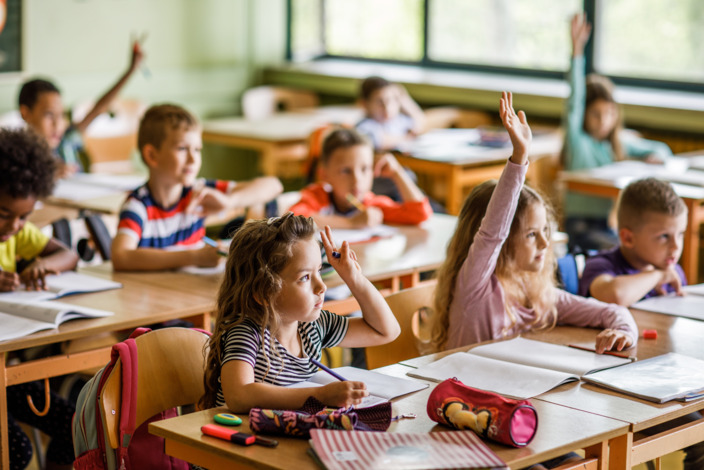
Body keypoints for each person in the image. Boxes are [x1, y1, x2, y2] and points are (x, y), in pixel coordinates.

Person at [431, 91, 637, 354]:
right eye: (530, 234)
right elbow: (492, 233)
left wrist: (623, 332)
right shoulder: (476, 285)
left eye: (545, 231)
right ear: (504, 241)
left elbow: (612, 311)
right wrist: (519, 157)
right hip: (463, 392)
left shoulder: (533, 289)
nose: (544, 243)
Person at [199, 213, 400, 411]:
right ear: (264, 291)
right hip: (238, 438)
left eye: (319, 271)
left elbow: (385, 331)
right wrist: (320, 395)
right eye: (304, 277)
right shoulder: (248, 333)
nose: (321, 286)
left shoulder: (313, 326)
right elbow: (239, 395)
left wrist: (355, 278)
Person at [111, 104, 283, 271]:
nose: (193, 160)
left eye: (197, 149)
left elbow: (273, 185)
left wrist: (229, 201)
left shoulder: (198, 192)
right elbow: (121, 256)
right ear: (152, 155)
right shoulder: (139, 206)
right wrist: (193, 257)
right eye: (182, 148)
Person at [0, 128, 79, 470]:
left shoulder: (14, 233)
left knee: (76, 426)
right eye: (4, 213)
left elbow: (68, 254)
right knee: (17, 450)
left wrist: (43, 264)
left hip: (5, 370)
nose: (15, 226)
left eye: (24, 216)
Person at [562, 12, 672, 253]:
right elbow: (574, 102)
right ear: (583, 115)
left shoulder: (616, 143)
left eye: (610, 114)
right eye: (595, 114)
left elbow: (661, 149)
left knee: (647, 245)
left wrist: (656, 158)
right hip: (580, 227)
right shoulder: (578, 142)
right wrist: (577, 53)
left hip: (607, 225)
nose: (603, 121)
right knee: (635, 252)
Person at [18, 40, 145, 176]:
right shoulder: (18, 157)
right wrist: (48, 176)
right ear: (26, 113)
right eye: (48, 115)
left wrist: (131, 70)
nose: (57, 124)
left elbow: (100, 107)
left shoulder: (66, 138)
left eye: (61, 115)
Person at [288, 127, 432, 229]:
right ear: (324, 174)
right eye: (346, 171)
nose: (357, 181)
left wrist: (397, 172)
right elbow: (293, 220)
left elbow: (420, 214)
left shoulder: (371, 205)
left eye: (365, 169)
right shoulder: (318, 196)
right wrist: (351, 223)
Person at [578, 177, 687, 305]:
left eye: (680, 234)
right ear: (628, 238)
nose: (676, 246)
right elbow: (615, 296)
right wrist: (658, 276)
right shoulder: (600, 265)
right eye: (664, 236)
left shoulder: (673, 271)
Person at [355, 76, 425, 152]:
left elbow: (419, 120)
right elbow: (378, 141)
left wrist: (404, 98)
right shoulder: (364, 126)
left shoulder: (397, 121)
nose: (387, 108)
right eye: (379, 102)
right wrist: (407, 137)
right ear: (364, 104)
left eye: (390, 100)